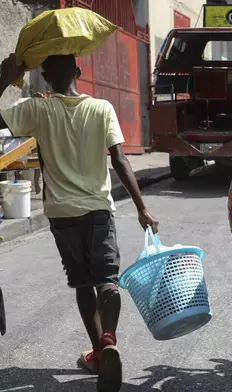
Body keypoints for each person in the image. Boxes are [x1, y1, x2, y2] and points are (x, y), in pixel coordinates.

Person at [0, 54, 158, 392]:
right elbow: (119, 158)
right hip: (98, 209)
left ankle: (100, 353)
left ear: (45, 76)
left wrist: (6, 76)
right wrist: (142, 208)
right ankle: (110, 340)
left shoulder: (38, 109)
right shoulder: (102, 109)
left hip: (61, 213)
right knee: (107, 281)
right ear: (79, 72)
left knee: (82, 284)